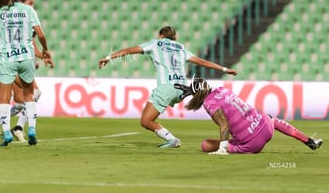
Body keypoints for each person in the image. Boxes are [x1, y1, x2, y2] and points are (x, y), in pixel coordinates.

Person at [98, 26, 238, 148]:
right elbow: (201, 61)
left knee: (146, 121)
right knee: (149, 118)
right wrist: (225, 69)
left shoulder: (155, 43)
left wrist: (109, 57)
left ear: (161, 35)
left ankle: (172, 139)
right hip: (183, 89)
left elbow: (131, 50)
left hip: (167, 87)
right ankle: (172, 139)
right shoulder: (180, 47)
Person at [174, 78, 323, 154]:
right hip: (265, 127)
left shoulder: (209, 103)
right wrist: (193, 90)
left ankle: (226, 147)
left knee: (206, 145)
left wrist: (223, 148)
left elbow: (224, 124)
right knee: (271, 119)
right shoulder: (222, 89)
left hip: (252, 143)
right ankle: (309, 140)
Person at [0, 0, 52, 146]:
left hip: (7, 58)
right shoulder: (28, 10)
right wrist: (45, 50)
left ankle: (7, 133)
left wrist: (0, 53)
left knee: (4, 98)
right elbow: (40, 34)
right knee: (29, 95)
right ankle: (31, 129)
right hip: (26, 57)